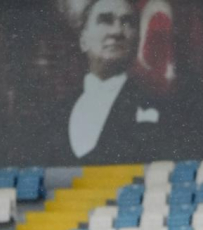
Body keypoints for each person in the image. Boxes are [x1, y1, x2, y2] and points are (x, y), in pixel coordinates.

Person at [62, 0, 166, 163]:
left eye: (126, 22)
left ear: (137, 40)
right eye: (105, 20)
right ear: (83, 40)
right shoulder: (56, 113)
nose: (117, 31)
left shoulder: (158, 106)